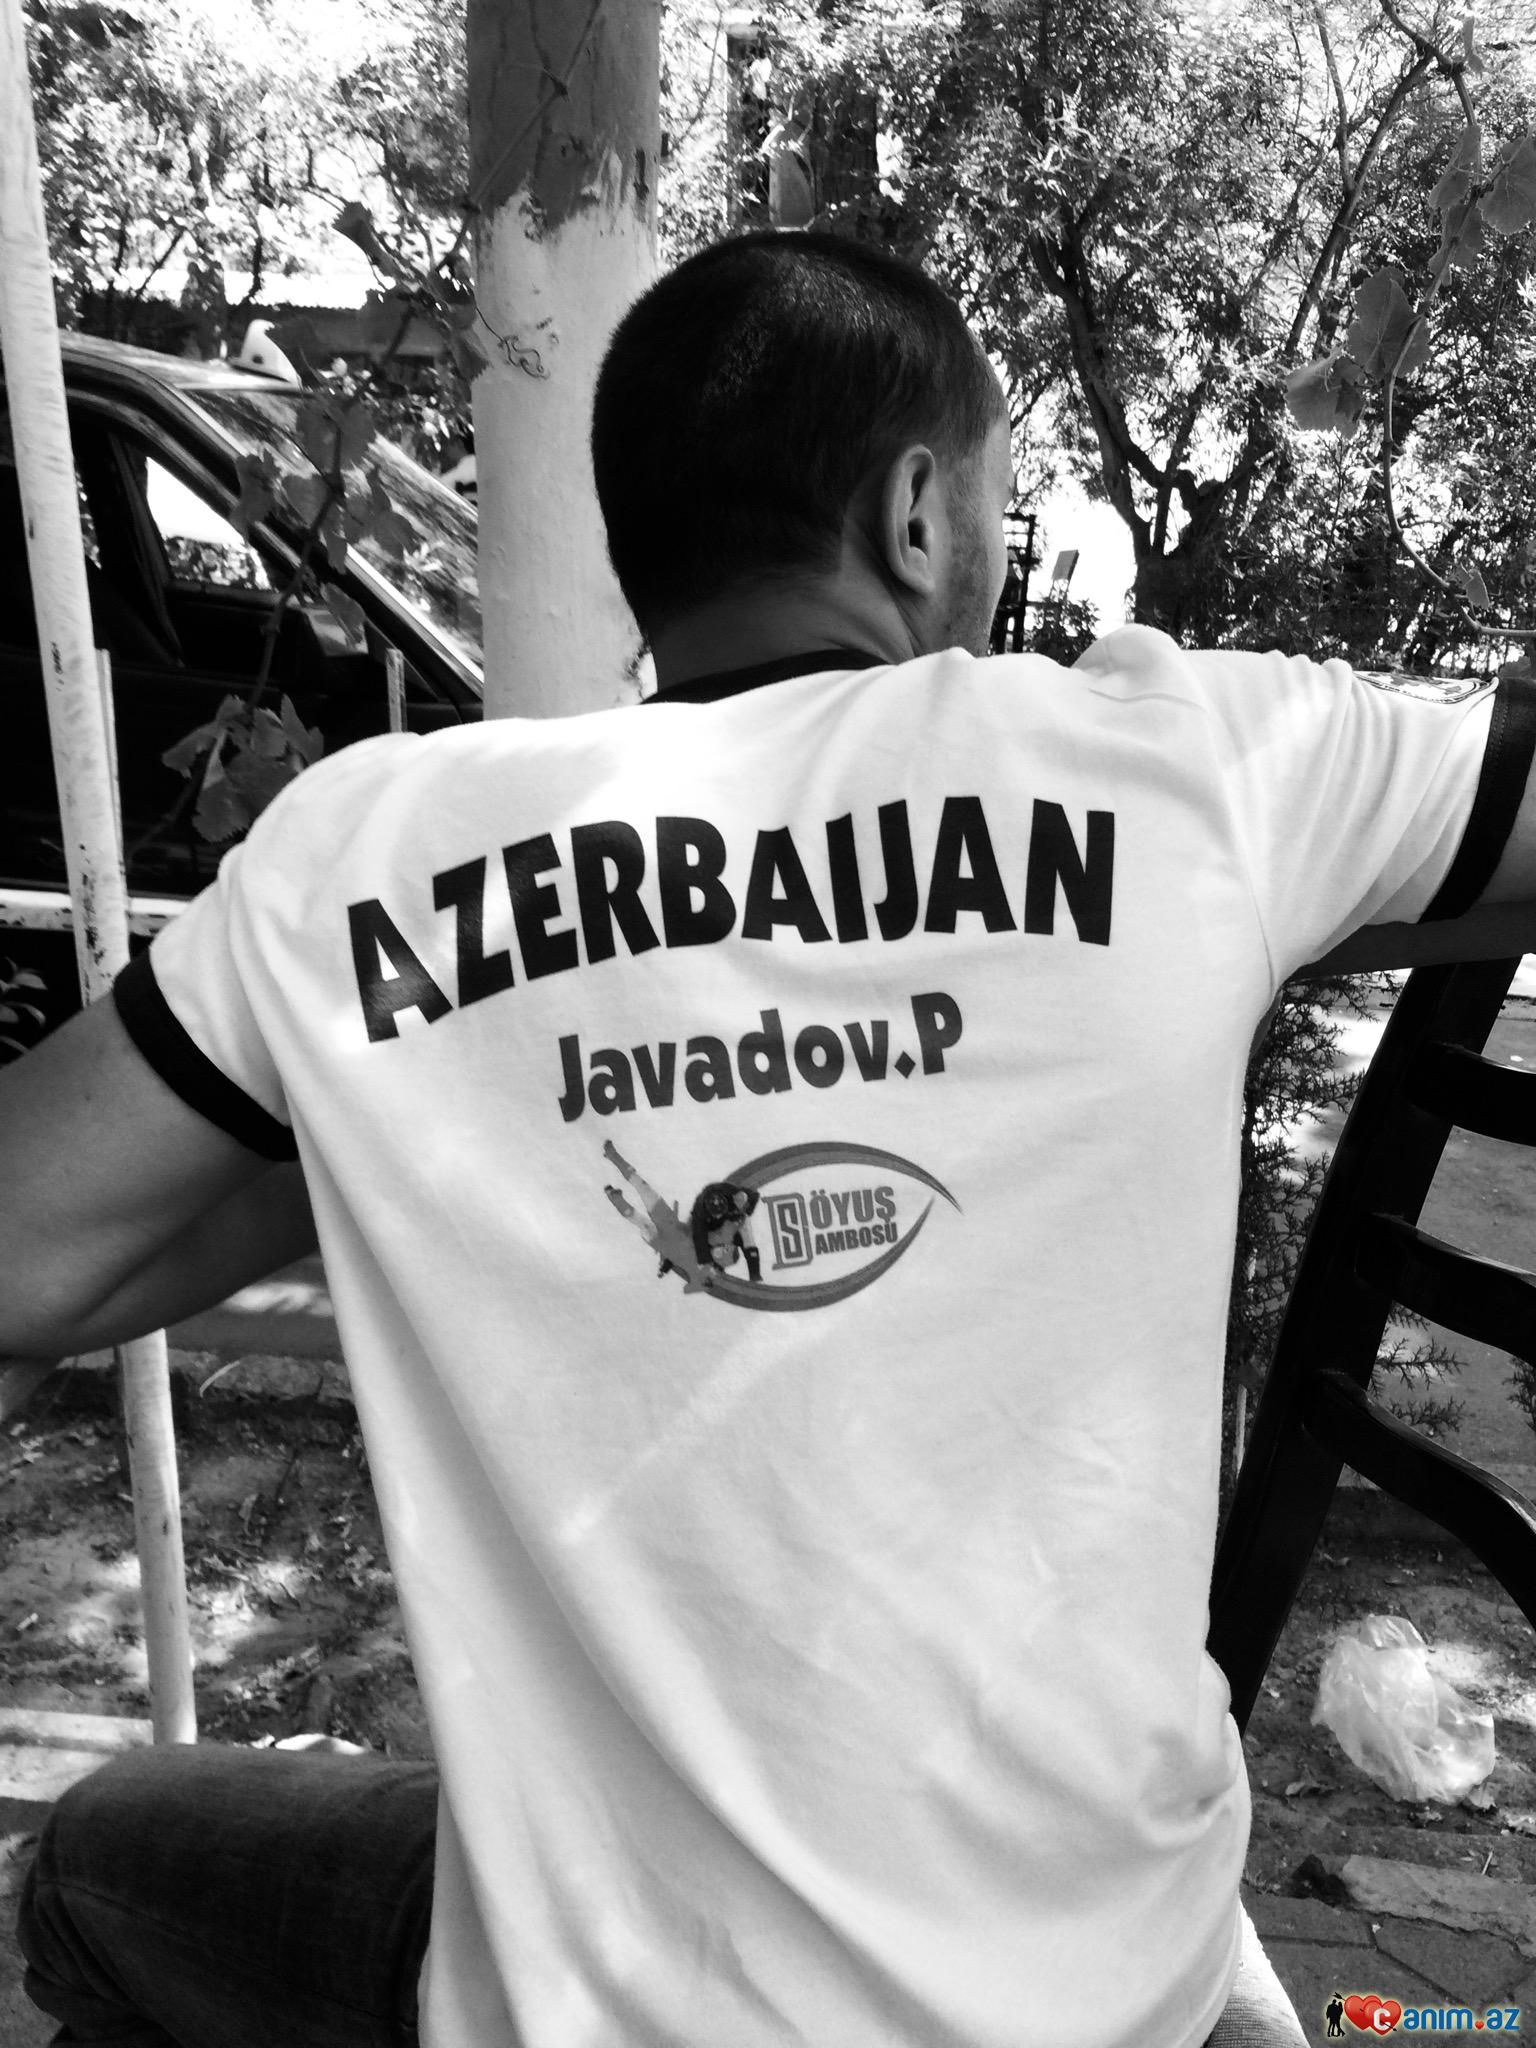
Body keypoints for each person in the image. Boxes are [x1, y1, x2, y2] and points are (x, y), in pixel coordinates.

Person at [6, 228, 1536, 2048]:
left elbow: (26, 1248)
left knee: (96, 1857)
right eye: (997, 506)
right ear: (917, 516)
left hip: (595, 2016)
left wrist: (448, 1102)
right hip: (1118, 1991)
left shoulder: (373, 855)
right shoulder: (1194, 762)